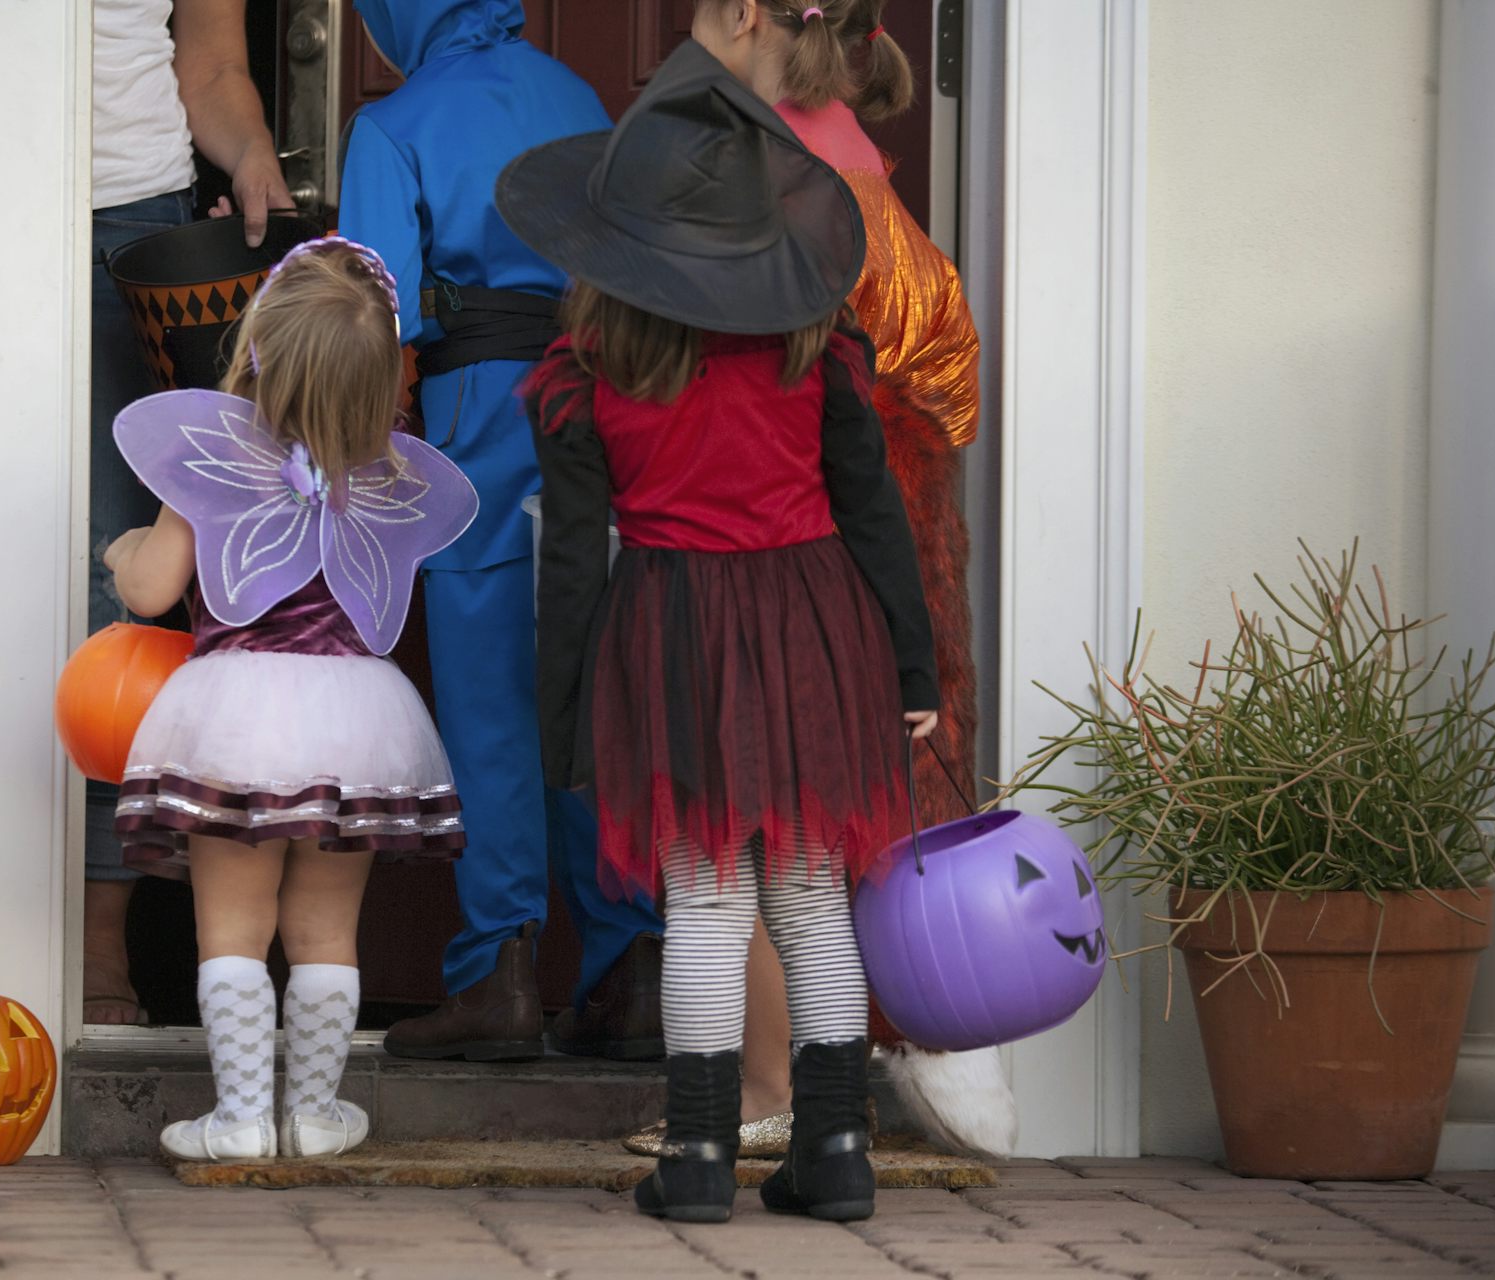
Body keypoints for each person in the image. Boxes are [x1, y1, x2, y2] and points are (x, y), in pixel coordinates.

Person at [501, 41, 938, 1224]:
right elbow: (873, 512)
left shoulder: (584, 372)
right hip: (815, 628)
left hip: (672, 626)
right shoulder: (820, 355)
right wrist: (913, 661)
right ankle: (837, 1147)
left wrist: (566, 714)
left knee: (701, 897)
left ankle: (696, 1161)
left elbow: (573, 566)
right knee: (807, 890)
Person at [620, 0, 1013, 1162]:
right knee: (806, 845)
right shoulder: (835, 152)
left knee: (737, 834)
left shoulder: (772, 167)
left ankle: (761, 1092)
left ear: (744, 19)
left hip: (789, 542)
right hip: (858, 524)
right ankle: (831, 1114)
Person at [338, 0, 665, 1063]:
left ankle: (499, 974)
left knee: (490, 710)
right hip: (598, 415)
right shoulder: (579, 100)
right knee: (594, 696)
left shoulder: (394, 124)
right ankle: (631, 968)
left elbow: (373, 319)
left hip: (476, 424)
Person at [102, 238, 475, 1161]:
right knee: (325, 928)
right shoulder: (387, 475)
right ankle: (312, 1115)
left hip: (236, 716)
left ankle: (237, 1121)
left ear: (255, 347)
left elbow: (152, 590)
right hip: (355, 723)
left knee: (233, 921)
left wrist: (117, 555)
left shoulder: (214, 457)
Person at [86, 0, 296, 1027]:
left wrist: (251, 149)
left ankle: (98, 940)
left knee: (124, 592)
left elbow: (210, 63)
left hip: (140, 217)